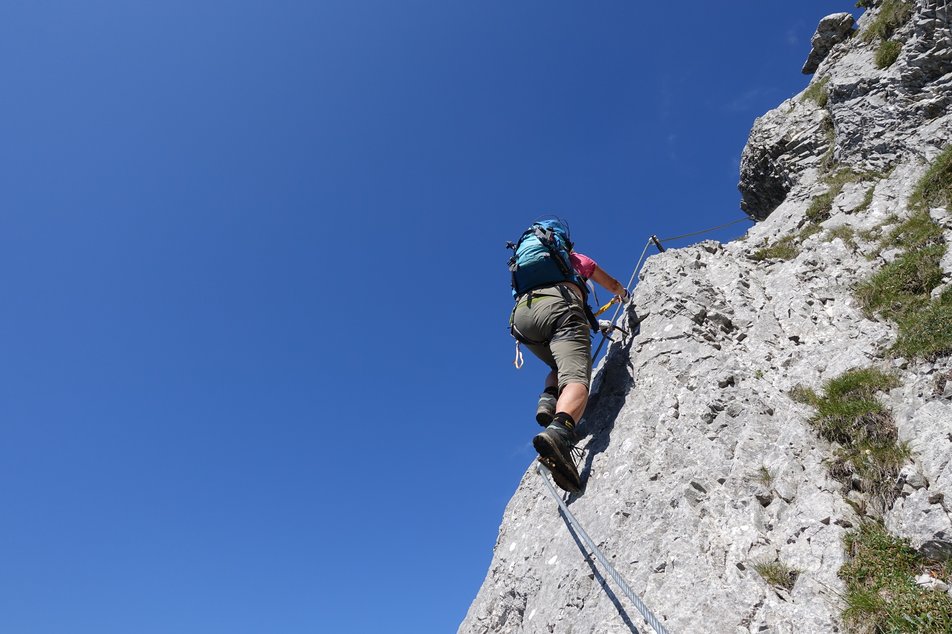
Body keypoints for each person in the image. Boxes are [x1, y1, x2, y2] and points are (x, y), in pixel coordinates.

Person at [508, 217, 628, 492]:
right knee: (575, 377)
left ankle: (548, 399)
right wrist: (624, 295)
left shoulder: (524, 266)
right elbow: (611, 284)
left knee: (559, 366)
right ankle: (560, 434)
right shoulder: (574, 260)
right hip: (559, 307)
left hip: (522, 319)